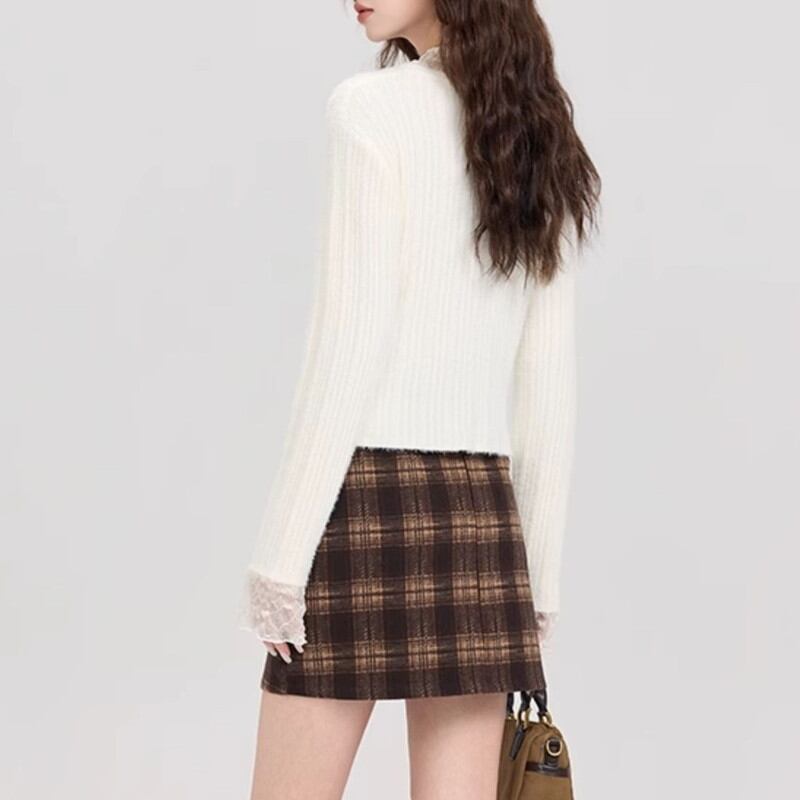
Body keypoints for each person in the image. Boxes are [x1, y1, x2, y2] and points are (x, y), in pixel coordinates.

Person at [239, 2, 600, 798]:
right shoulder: (540, 134)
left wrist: (280, 560)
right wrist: (538, 581)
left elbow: (348, 345)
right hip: (481, 522)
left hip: (362, 503)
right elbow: (547, 385)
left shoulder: (369, 109)